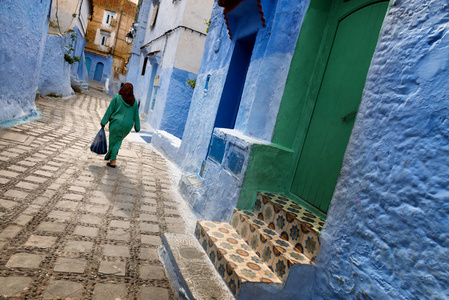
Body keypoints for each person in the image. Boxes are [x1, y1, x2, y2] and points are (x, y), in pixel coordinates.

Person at [100, 82, 140, 168]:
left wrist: (103, 122)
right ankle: (112, 158)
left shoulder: (117, 98)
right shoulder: (134, 102)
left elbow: (109, 110)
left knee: (113, 141)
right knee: (118, 140)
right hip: (127, 126)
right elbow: (136, 116)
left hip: (116, 123)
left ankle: (112, 160)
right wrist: (137, 127)